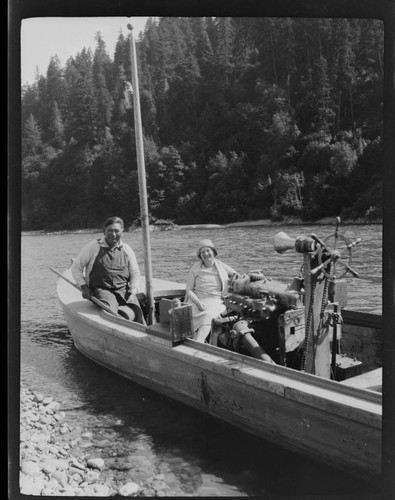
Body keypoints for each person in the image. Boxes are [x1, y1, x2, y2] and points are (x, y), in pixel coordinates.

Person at [71, 216, 144, 323]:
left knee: (136, 312)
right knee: (111, 314)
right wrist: (84, 287)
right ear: (104, 231)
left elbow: (135, 273)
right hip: (101, 290)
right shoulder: (92, 247)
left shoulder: (127, 249)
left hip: (123, 290)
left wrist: (132, 292)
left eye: (116, 231)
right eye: (110, 230)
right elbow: (76, 267)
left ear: (122, 232)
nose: (113, 234)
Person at [185, 239, 238, 342]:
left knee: (208, 315)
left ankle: (198, 342)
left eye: (208, 250)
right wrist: (198, 302)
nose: (206, 254)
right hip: (197, 299)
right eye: (202, 252)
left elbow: (237, 275)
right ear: (200, 256)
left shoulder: (221, 266)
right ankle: (195, 340)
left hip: (215, 300)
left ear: (213, 252)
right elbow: (189, 290)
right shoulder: (195, 268)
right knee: (189, 315)